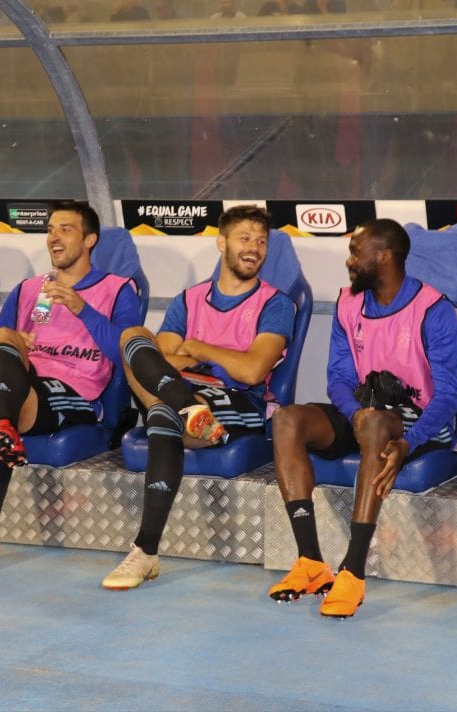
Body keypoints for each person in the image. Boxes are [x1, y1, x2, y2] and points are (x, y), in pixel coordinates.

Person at [267, 219, 457, 618]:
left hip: (420, 422)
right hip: (363, 411)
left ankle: (353, 571)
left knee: (374, 424)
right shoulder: (348, 304)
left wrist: (409, 442)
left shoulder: (434, 309)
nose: (350, 261)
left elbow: (448, 395)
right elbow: (337, 378)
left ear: (384, 257)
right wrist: (355, 413)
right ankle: (310, 561)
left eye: (357, 252)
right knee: (287, 419)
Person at [102, 205, 294, 590]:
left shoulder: (276, 304)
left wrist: (199, 348)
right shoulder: (188, 299)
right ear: (221, 243)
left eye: (261, 242)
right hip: (183, 391)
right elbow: (158, 357)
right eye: (244, 238)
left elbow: (253, 371)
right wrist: (216, 360)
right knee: (132, 338)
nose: (254, 248)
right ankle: (186, 406)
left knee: (162, 413)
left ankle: (145, 550)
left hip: (238, 400)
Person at [0, 201, 142, 572]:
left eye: (65, 229)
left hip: (74, 391)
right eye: (50, 229)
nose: (54, 237)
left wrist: (82, 308)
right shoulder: (31, 290)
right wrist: (16, 343)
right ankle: (2, 437)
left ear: (89, 239)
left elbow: (127, 355)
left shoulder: (118, 289)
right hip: (22, 384)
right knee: (3, 340)